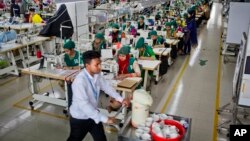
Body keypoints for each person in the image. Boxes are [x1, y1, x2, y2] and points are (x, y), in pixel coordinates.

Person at [67, 51, 129, 141]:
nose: (100, 67)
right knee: (74, 139)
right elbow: (84, 105)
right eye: (97, 65)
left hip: (93, 115)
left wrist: (121, 99)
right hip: (80, 118)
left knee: (101, 139)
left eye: (100, 64)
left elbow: (106, 87)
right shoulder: (80, 82)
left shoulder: (97, 74)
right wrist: (105, 119)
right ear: (87, 65)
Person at [57, 40, 82, 108]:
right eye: (65, 51)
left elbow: (81, 67)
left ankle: (75, 97)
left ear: (73, 49)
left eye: (67, 51)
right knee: (60, 82)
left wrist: (70, 68)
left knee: (74, 84)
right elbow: (62, 65)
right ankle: (70, 95)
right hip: (69, 74)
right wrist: (60, 66)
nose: (66, 52)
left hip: (78, 74)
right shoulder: (65, 56)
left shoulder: (79, 55)